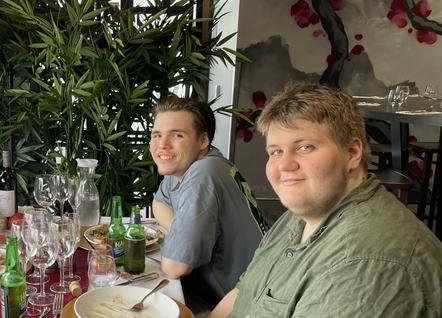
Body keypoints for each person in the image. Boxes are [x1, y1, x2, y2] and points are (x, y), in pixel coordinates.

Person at [210, 84, 442, 318]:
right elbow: (244, 291)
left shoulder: (364, 262)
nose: (285, 164)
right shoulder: (301, 215)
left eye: (304, 147)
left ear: (352, 152)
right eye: (276, 152)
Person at [150, 97, 266, 312]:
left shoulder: (203, 173)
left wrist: (181, 241)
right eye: (157, 134)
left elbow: (174, 266)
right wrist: (181, 232)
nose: (162, 144)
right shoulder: (187, 163)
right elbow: (158, 202)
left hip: (241, 305)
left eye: (177, 135)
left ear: (203, 141)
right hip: (227, 295)